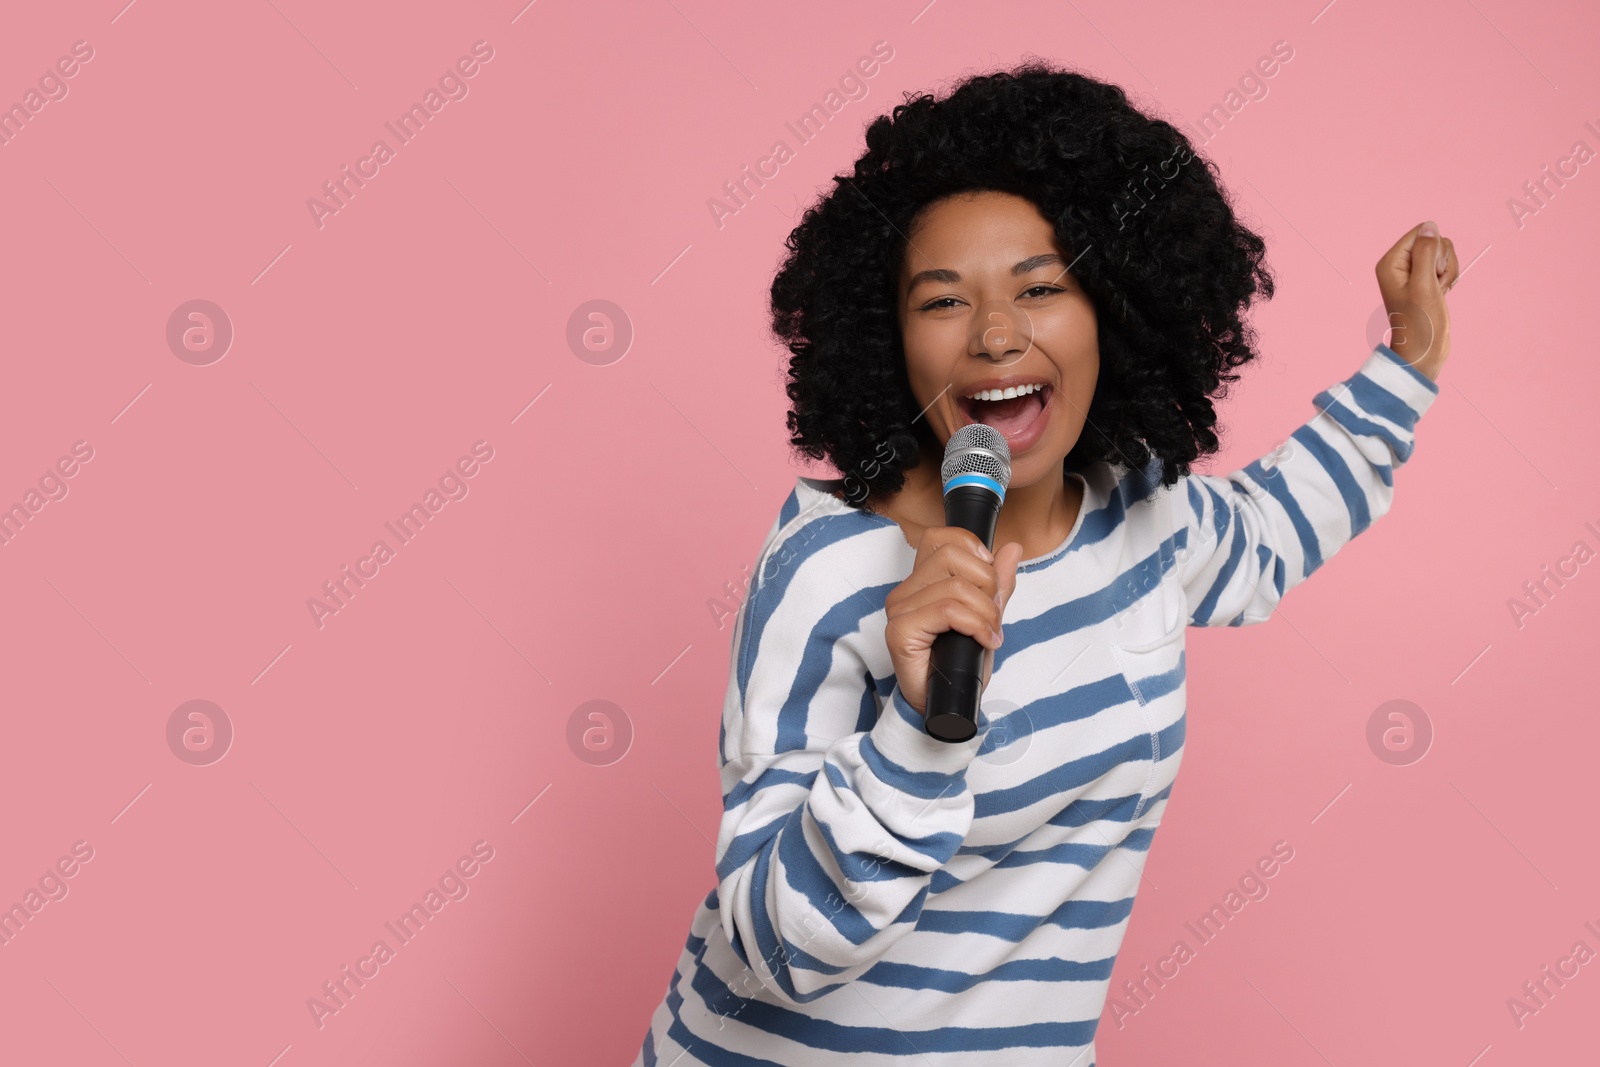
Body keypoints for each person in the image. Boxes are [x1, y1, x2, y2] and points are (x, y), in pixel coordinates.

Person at [632, 58, 1454, 1065]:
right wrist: (923, 726)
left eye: (1041, 287)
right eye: (941, 302)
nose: (992, 333)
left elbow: (1276, 523)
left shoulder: (1137, 514)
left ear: (1113, 309)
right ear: (888, 341)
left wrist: (1405, 363)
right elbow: (771, 943)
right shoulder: (831, 570)